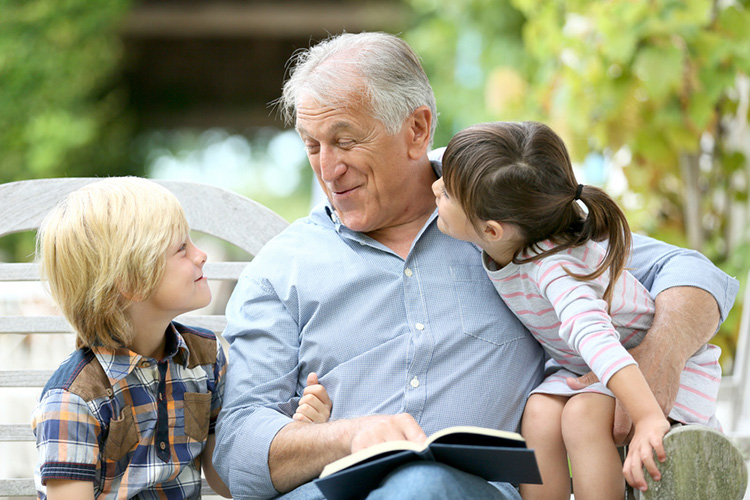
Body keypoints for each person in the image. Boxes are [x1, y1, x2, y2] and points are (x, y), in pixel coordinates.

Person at [213, 32, 738, 500]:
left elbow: (695, 275)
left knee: (420, 487)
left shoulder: (505, 217)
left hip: (468, 491)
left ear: (417, 129)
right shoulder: (284, 267)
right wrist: (348, 437)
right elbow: (238, 451)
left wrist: (658, 357)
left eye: (346, 141)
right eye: (313, 146)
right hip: (329, 491)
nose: (329, 167)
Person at [432, 121, 724, 499]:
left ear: (491, 231)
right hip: (584, 369)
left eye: (449, 193)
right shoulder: (515, 234)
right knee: (538, 414)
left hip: (646, 375)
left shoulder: (558, 271)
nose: (435, 186)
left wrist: (648, 415)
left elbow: (597, 339)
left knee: (581, 417)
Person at [30, 177, 330, 500]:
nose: (200, 255)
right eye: (181, 248)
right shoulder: (74, 400)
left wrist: (299, 435)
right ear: (132, 282)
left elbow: (225, 481)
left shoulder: (203, 360)